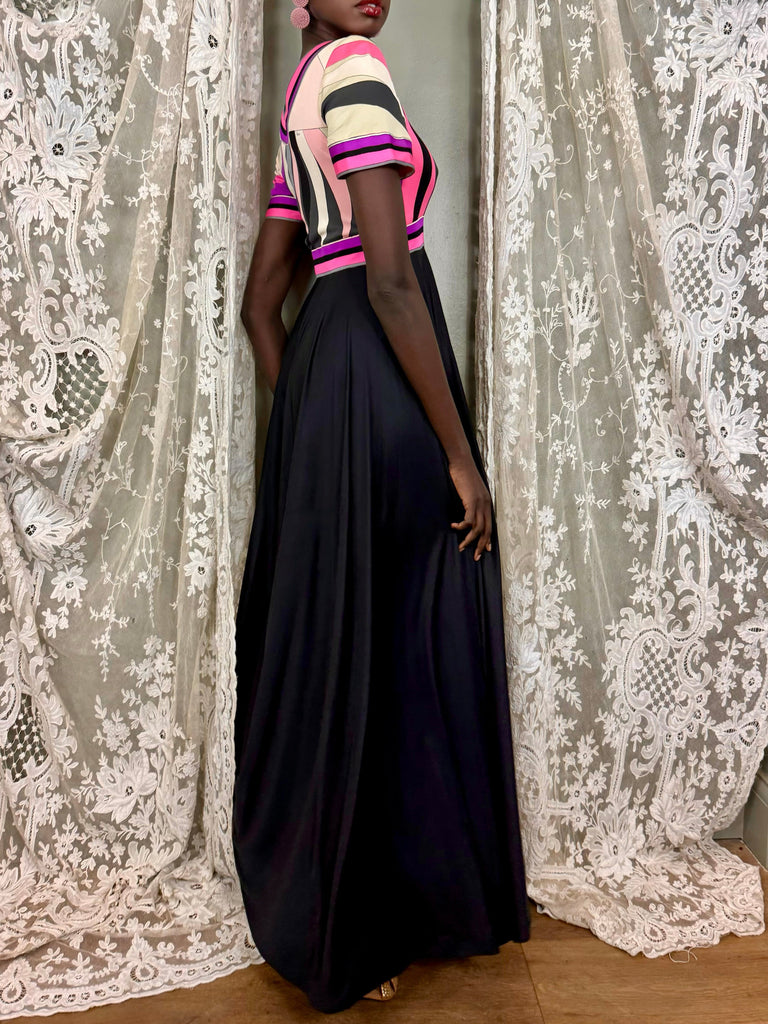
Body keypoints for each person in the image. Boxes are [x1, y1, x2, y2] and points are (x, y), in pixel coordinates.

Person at [232, 0, 530, 1013]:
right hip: (386, 356)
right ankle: (383, 917)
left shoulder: (300, 94)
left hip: (329, 369)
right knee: (410, 630)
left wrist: (313, 416)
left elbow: (261, 303)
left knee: (346, 637)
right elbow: (393, 282)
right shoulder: (357, 65)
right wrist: (460, 455)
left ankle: (340, 910)